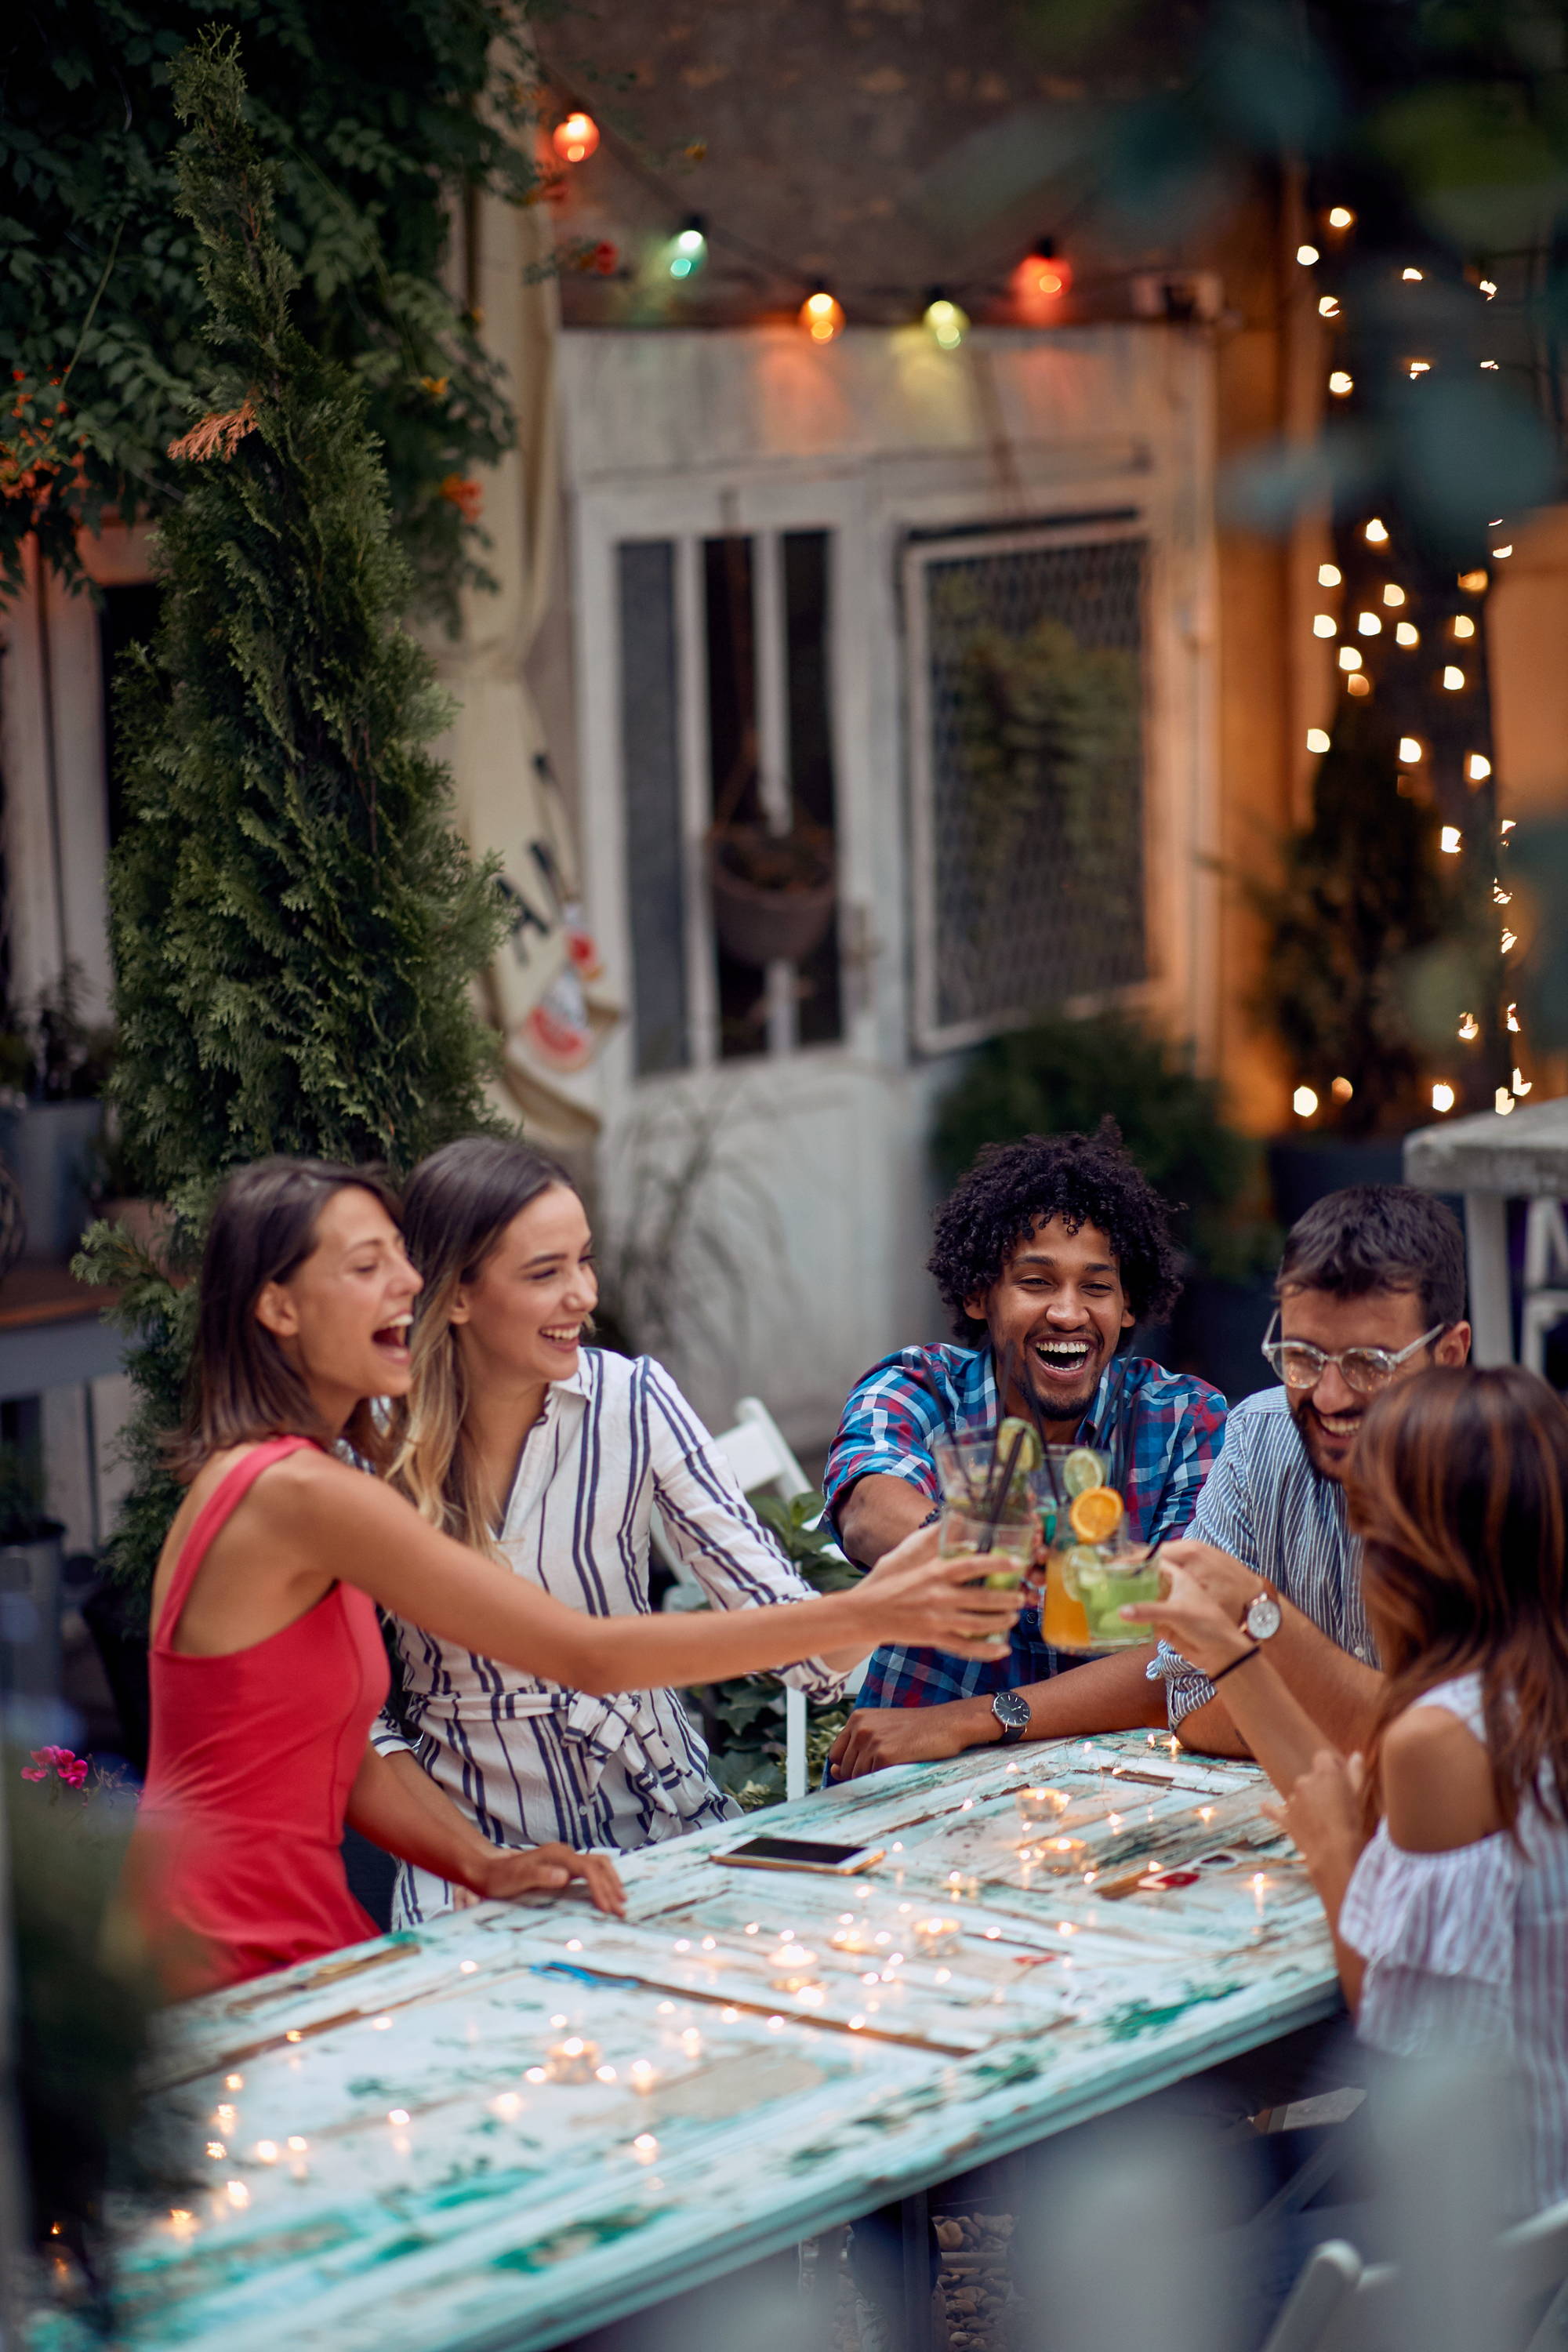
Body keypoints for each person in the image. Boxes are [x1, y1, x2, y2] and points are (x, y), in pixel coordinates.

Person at [133, 1157, 1025, 1994]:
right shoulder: (305, 1489)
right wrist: (874, 1605)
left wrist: (478, 1864)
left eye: (402, 1261)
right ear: (279, 1309)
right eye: (369, 1267)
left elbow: (344, 1747)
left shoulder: (292, 1473)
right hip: (231, 1937)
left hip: (289, 1919)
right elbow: (584, 1655)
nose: (406, 1282)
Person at [369, 1136, 879, 1926]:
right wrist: (479, 1861)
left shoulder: (631, 1400)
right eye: (545, 1272)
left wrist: (904, 1593)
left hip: (663, 1834)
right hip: (470, 1861)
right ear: (457, 1293)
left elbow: (791, 1640)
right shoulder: (371, 1443)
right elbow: (357, 1724)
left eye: (585, 1261)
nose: (583, 1295)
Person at [1141, 1362, 1568, 2216]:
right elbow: (1339, 1781)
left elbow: (1402, 2039)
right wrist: (1229, 1650)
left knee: (1166, 2221)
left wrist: (1336, 1852)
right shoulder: (1523, 1685)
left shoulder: (1441, 1736)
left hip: (1485, 2229)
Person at [823, 1125, 1229, 1780]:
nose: (1068, 1313)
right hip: (908, 1793)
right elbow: (868, 1509)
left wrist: (970, 1719)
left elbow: (1179, 1662)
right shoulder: (919, 1387)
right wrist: (1014, 1559)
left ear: (1128, 1307)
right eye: (1036, 1282)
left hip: (1121, 1794)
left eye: (1096, 1288)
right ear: (978, 1296)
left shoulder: (1187, 1420)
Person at [1153, 1185, 1470, 1759]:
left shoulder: (1511, 1477)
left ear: (1449, 1356)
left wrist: (1260, 1615)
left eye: (1368, 1365)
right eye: (1301, 1357)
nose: (1328, 1397)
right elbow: (1191, 1703)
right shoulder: (1259, 1435)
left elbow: (1469, 1750)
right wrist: (1374, 1725)